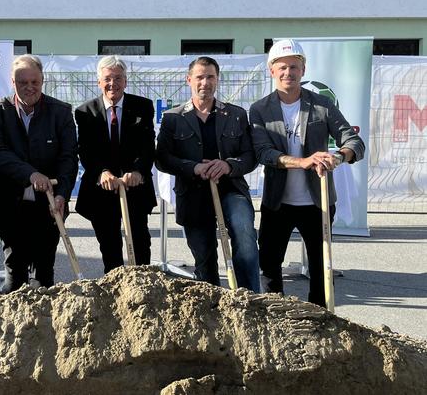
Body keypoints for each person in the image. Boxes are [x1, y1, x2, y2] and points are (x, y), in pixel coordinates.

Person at [249, 39, 365, 307]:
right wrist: (302, 162)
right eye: (282, 68)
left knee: (320, 265)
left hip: (318, 201)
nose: (288, 73)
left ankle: (321, 318)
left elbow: (354, 143)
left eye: (294, 67)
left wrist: (338, 157)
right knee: (269, 264)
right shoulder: (260, 110)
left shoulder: (322, 105)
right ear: (272, 71)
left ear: (303, 70)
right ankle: (275, 316)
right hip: (278, 202)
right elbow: (263, 153)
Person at [156, 57, 261, 292]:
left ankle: (251, 299)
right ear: (189, 80)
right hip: (193, 195)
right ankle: (212, 307)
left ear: (217, 79)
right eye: (200, 77)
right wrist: (192, 167)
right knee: (204, 257)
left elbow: (250, 155)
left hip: (231, 189)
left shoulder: (235, 114)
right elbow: (163, 159)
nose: (205, 82)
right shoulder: (174, 118)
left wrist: (228, 165)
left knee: (244, 234)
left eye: (210, 77)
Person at [0, 54, 78, 293]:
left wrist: (62, 195)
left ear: (42, 80)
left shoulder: (61, 112)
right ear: (12, 81)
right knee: (14, 274)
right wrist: (31, 174)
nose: (29, 87)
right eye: (22, 82)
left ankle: (43, 327)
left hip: (48, 205)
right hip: (9, 202)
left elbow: (68, 158)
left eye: (34, 82)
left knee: (44, 275)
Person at [75, 56, 156, 273]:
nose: (113, 84)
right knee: (109, 246)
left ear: (126, 81)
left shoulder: (143, 107)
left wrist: (138, 170)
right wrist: (101, 172)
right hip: (102, 189)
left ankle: (142, 287)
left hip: (135, 187)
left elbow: (148, 145)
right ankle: (114, 291)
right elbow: (86, 150)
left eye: (118, 78)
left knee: (140, 242)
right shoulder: (85, 112)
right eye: (108, 79)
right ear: (99, 82)